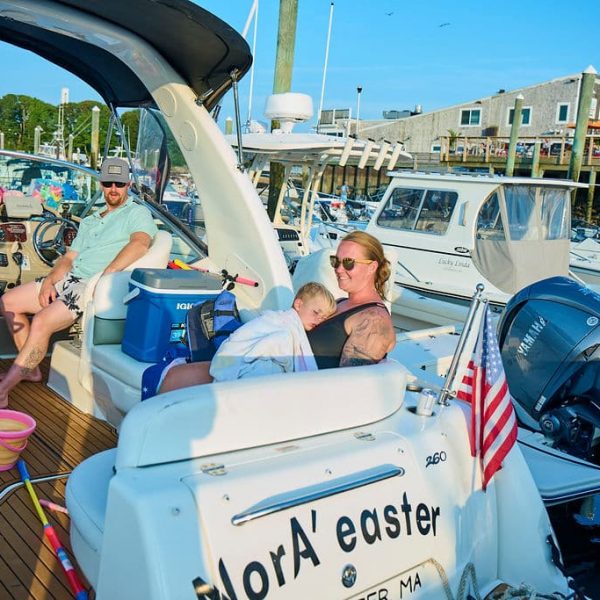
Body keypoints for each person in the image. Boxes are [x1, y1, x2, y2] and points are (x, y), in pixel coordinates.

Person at [0, 157, 158, 408]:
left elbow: (140, 243)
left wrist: (106, 276)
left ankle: (4, 389)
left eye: (119, 183)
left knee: (41, 322)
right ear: (102, 184)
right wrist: (51, 280)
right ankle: (30, 371)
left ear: (128, 184)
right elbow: (69, 257)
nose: (113, 189)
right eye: (108, 183)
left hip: (90, 283)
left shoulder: (137, 213)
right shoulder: (92, 220)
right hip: (68, 278)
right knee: (8, 302)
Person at [158, 282, 336, 392]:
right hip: (243, 360)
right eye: (316, 313)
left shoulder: (293, 326)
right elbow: (272, 343)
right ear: (298, 304)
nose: (319, 320)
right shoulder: (284, 323)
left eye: (323, 318)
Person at [306, 230, 396, 368]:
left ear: (372, 267)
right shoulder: (340, 303)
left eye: (348, 262)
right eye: (336, 261)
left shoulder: (374, 321)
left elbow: (351, 383)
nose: (339, 269)